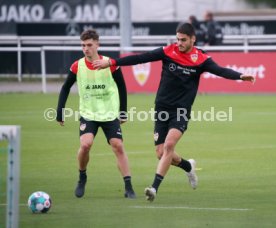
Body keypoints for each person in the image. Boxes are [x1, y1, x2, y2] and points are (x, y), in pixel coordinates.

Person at [92, 23, 255, 202]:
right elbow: (140, 58)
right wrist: (112, 62)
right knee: (161, 153)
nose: (179, 43)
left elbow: (221, 70)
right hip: (162, 108)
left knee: (169, 145)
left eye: (183, 40)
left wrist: (240, 76)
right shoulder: (168, 51)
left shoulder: (200, 59)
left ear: (193, 39)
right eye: (177, 39)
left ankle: (154, 188)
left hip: (181, 110)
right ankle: (188, 166)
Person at [56, 29, 136, 199]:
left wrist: (123, 112)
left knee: (118, 146)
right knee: (85, 145)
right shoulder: (78, 65)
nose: (86, 48)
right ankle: (82, 176)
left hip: (109, 113)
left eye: (89, 45)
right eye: (83, 45)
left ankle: (128, 186)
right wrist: (60, 111)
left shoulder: (110, 63)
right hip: (88, 114)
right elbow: (65, 88)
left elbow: (122, 86)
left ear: (97, 44)